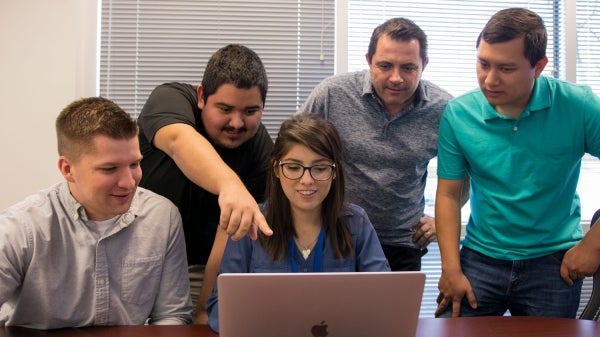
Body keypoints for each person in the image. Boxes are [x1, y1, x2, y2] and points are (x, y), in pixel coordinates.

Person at [435, 7, 600, 319]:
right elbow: (447, 194)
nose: (490, 79)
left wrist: (593, 244)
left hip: (553, 262)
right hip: (480, 258)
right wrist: (450, 269)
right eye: (483, 64)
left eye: (506, 69)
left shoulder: (578, 106)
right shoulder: (459, 114)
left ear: (538, 66)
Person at [0, 97, 193, 329]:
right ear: (68, 169)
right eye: (110, 168)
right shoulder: (22, 227)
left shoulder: (162, 216)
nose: (129, 182)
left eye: (134, 164)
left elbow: (172, 315)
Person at [300, 17, 463, 271]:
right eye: (385, 65)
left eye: (408, 68)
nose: (395, 78)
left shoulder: (444, 110)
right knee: (328, 311)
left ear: (425, 65)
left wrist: (439, 222)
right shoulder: (332, 95)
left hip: (403, 243)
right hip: (336, 235)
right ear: (368, 61)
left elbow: (466, 172)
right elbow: (293, 152)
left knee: (395, 312)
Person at [205, 113, 391, 332]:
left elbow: (385, 302)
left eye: (319, 168)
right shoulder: (252, 224)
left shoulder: (356, 223)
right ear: (276, 169)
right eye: (293, 167)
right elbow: (220, 309)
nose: (306, 180)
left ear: (334, 171)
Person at [136, 44, 274, 323]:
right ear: (201, 96)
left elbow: (233, 229)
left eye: (250, 111)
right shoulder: (170, 99)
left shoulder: (260, 149)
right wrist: (231, 186)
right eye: (225, 109)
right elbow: (178, 141)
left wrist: (204, 310)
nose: (236, 123)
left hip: (202, 268)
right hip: (138, 263)